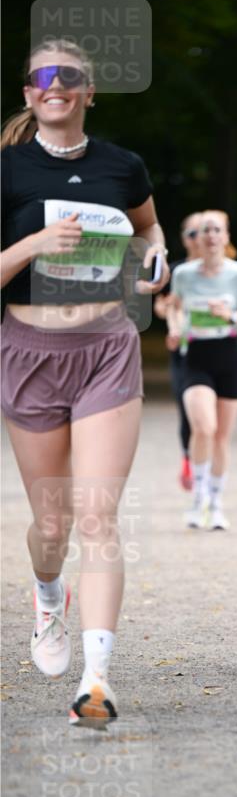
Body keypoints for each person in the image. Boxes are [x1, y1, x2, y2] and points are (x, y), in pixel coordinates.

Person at [1, 39, 169, 726]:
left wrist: (154, 266)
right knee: (53, 524)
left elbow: (150, 233)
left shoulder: (122, 166)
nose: (57, 85)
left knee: (98, 514)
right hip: (29, 351)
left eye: (70, 76)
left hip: (106, 346)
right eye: (45, 75)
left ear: (90, 92)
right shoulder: (7, 170)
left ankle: (96, 681)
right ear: (28, 93)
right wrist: (33, 246)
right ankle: (48, 595)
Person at [168, 209, 237, 529]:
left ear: (226, 237)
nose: (211, 236)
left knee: (222, 437)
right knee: (204, 427)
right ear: (196, 238)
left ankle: (216, 503)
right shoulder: (184, 274)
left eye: (217, 230)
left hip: (229, 359)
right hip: (195, 357)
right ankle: (197, 500)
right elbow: (173, 306)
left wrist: (231, 316)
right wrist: (175, 327)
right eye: (204, 231)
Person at [153, 211, 204, 491]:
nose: (199, 238)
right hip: (184, 350)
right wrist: (169, 309)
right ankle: (189, 458)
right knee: (189, 411)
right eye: (192, 233)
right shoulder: (176, 271)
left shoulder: (226, 268)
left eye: (203, 231)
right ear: (184, 239)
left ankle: (208, 466)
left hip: (219, 348)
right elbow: (160, 306)